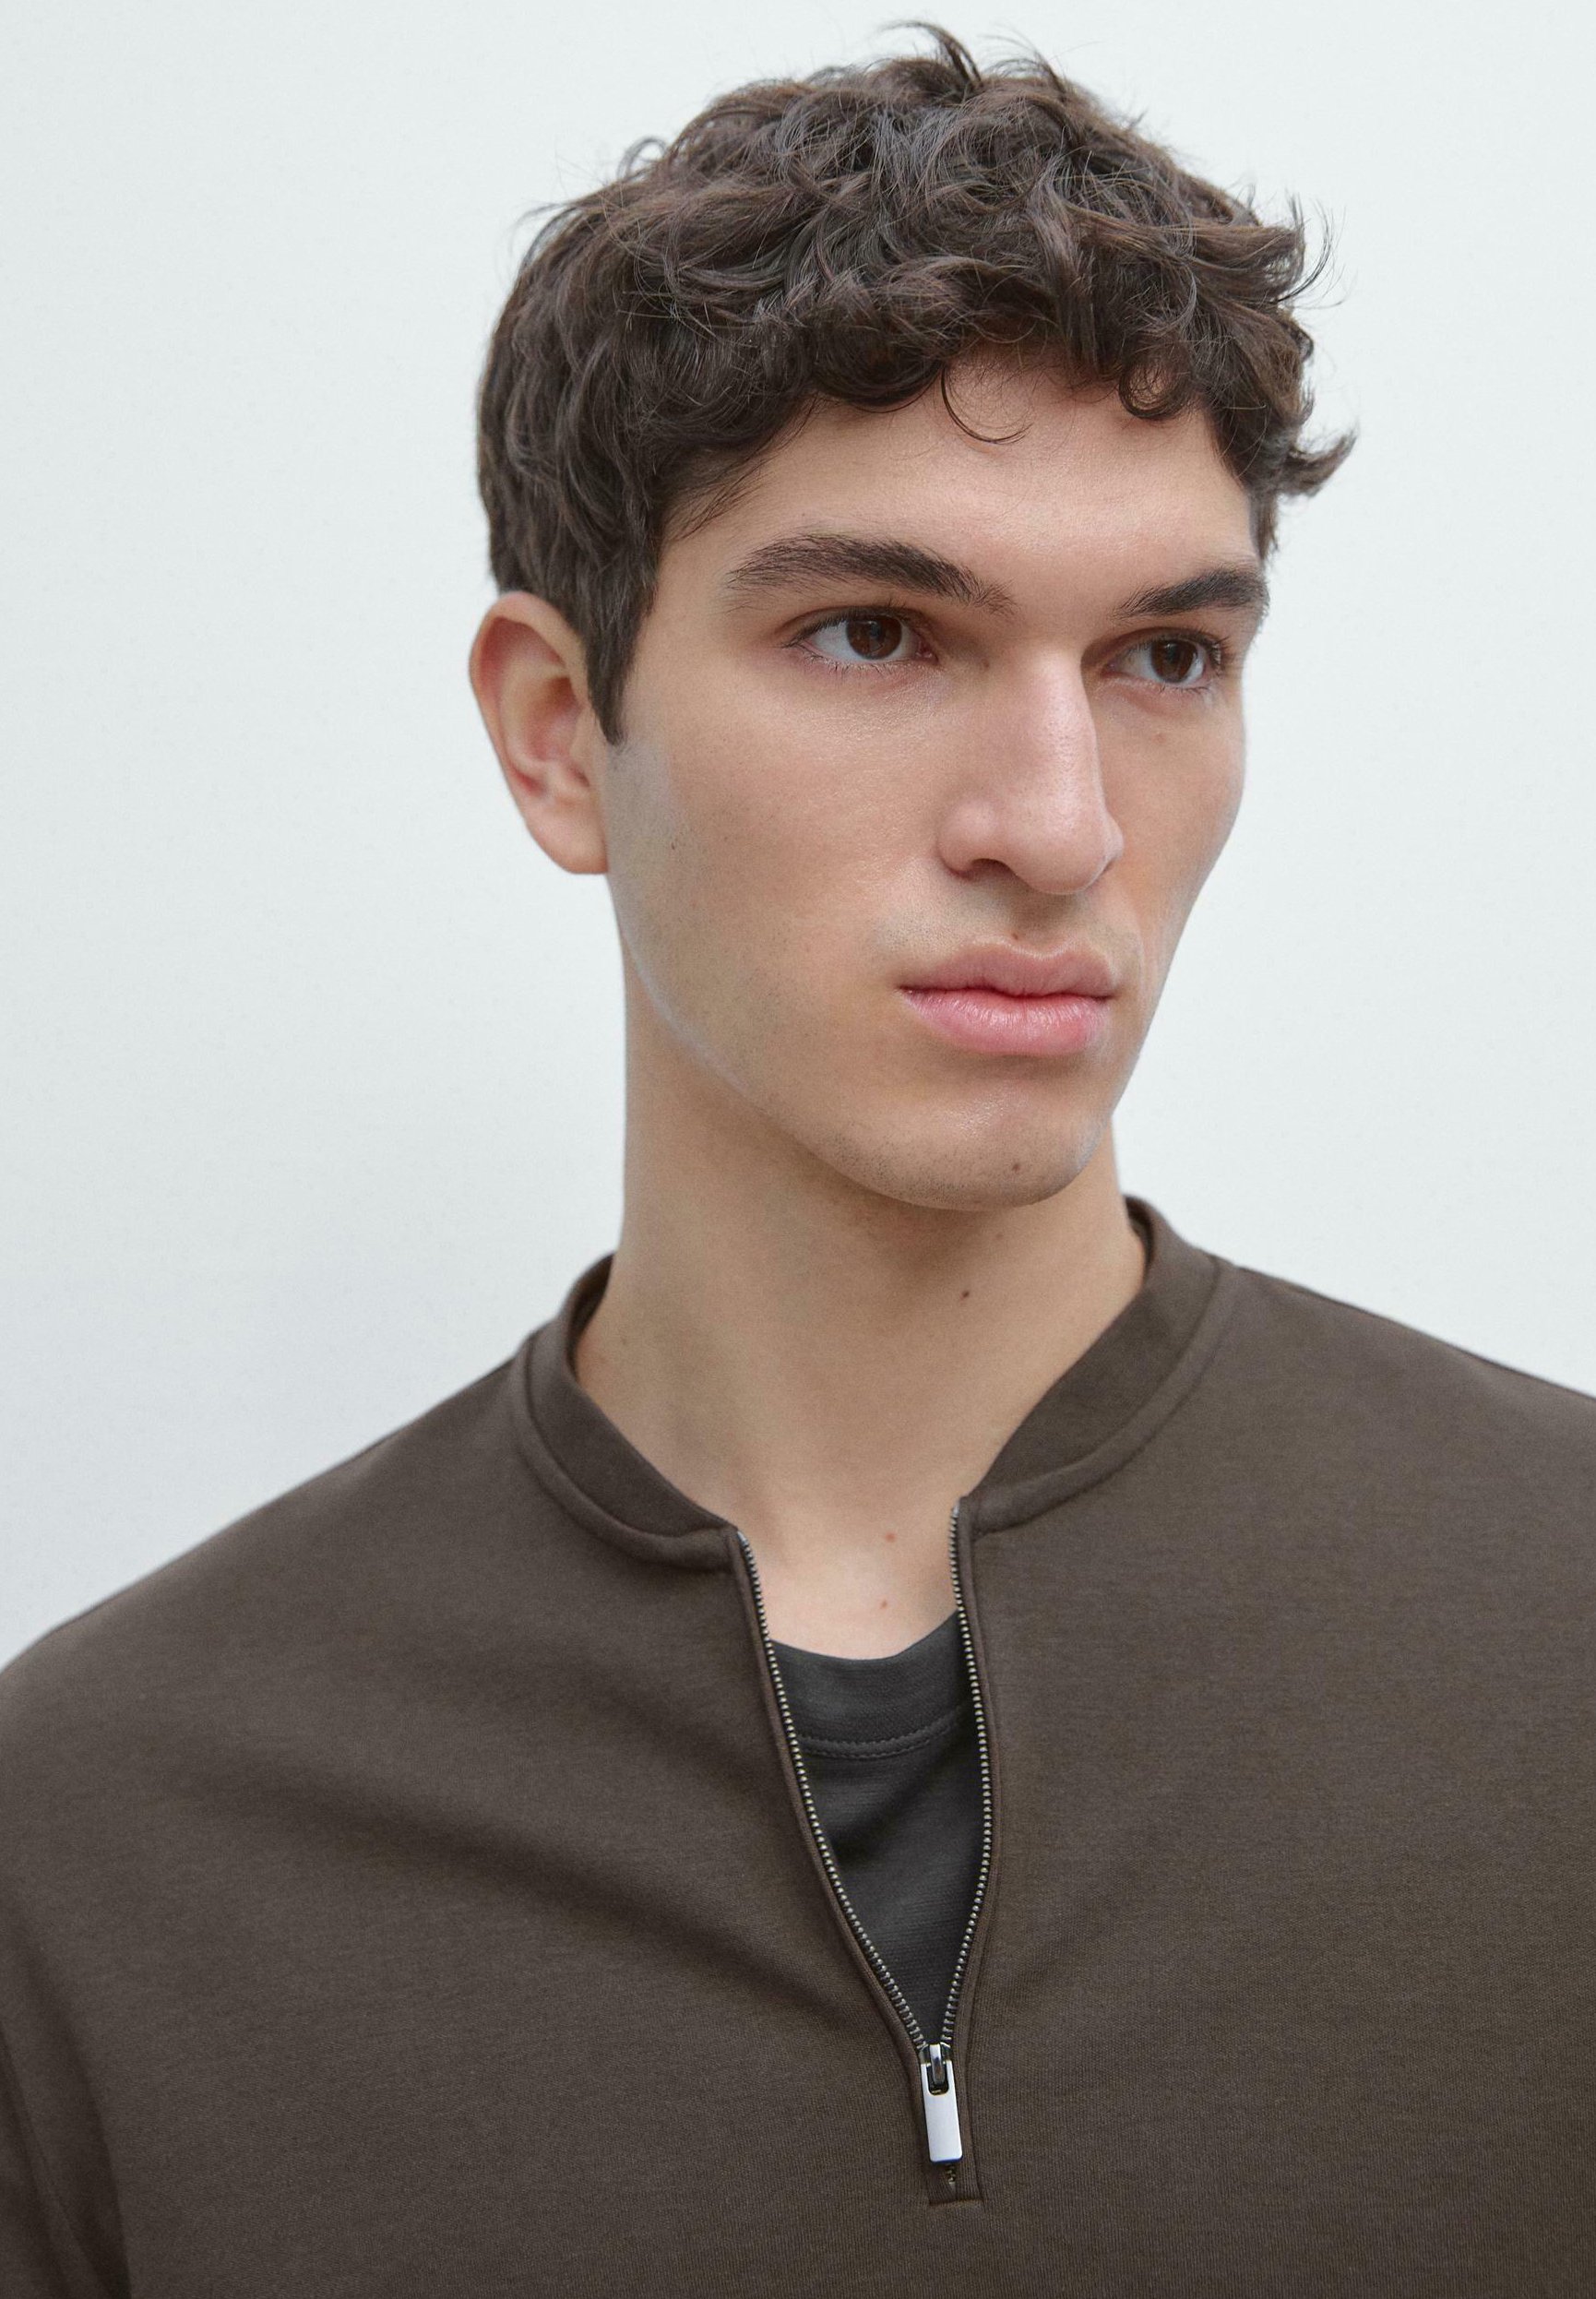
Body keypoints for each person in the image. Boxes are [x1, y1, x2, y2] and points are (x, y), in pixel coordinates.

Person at [2, 29, 1592, 2296]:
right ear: (561, 735)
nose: (1057, 825)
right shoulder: (97, 1841)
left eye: (1160, 655)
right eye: (875, 634)